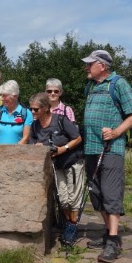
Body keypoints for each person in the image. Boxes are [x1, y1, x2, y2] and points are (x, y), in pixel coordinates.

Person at [82, 49, 132, 263]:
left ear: (102, 66)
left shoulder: (119, 84)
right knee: (96, 194)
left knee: (110, 193)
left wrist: (116, 132)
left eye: (90, 64)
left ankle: (113, 242)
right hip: (91, 148)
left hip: (111, 149)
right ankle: (108, 233)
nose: (87, 67)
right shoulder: (91, 86)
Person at [28, 92, 85, 246]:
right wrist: (36, 146)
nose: (32, 112)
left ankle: (72, 227)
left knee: (74, 198)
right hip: (56, 165)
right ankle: (67, 224)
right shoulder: (35, 125)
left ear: (46, 108)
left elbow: (78, 138)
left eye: (36, 109)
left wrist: (63, 148)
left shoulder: (61, 120)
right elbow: (31, 142)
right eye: (31, 109)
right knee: (63, 198)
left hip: (72, 162)